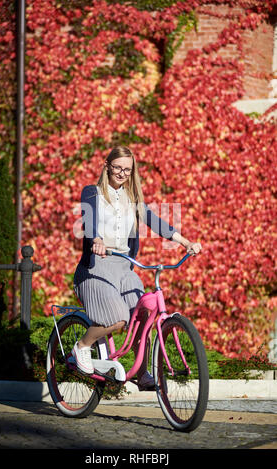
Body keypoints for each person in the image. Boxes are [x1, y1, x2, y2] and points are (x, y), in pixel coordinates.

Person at [73, 146, 202, 390]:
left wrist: (185, 242)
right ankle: (82, 346)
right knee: (118, 319)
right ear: (107, 165)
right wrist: (96, 240)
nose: (122, 173)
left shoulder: (133, 200)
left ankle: (142, 373)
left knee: (145, 312)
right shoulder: (93, 192)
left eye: (127, 170)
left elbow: (156, 221)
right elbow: (88, 221)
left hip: (125, 267)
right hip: (95, 268)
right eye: (118, 167)